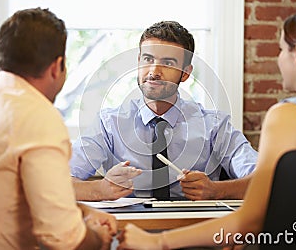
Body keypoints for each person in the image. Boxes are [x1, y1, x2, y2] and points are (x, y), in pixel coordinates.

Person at [117, 4, 296, 249]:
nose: (279, 58)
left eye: (282, 49)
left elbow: (248, 221)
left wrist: (159, 242)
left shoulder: (288, 116)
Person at [0, 8, 116, 250]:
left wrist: (81, 212)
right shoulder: (38, 117)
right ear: (57, 66)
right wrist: (99, 239)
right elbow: (64, 240)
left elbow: (11, 195)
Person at [70, 21, 258, 201]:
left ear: (185, 73)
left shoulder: (214, 126)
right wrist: (101, 189)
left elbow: (263, 180)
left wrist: (216, 191)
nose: (153, 71)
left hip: (194, 226)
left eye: (167, 63)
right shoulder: (108, 124)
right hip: (129, 227)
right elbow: (56, 183)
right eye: (148, 59)